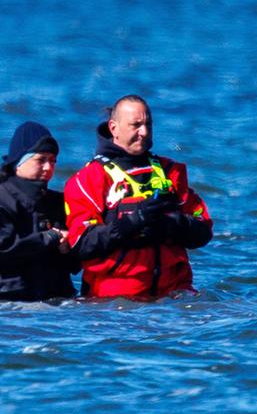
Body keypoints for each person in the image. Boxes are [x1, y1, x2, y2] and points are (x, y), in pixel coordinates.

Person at [64, 95, 213, 300]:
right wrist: (130, 222)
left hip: (175, 297)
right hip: (114, 302)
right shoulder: (88, 179)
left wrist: (174, 224)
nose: (144, 132)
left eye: (148, 125)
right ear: (113, 128)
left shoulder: (171, 171)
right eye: (136, 125)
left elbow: (204, 230)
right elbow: (80, 244)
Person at [0, 121, 75, 302]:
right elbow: (3, 248)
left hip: (57, 302)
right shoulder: (3, 199)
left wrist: (71, 246)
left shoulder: (59, 202)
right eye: (41, 160)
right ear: (18, 162)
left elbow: (76, 264)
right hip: (10, 302)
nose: (49, 168)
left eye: (53, 161)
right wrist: (48, 238)